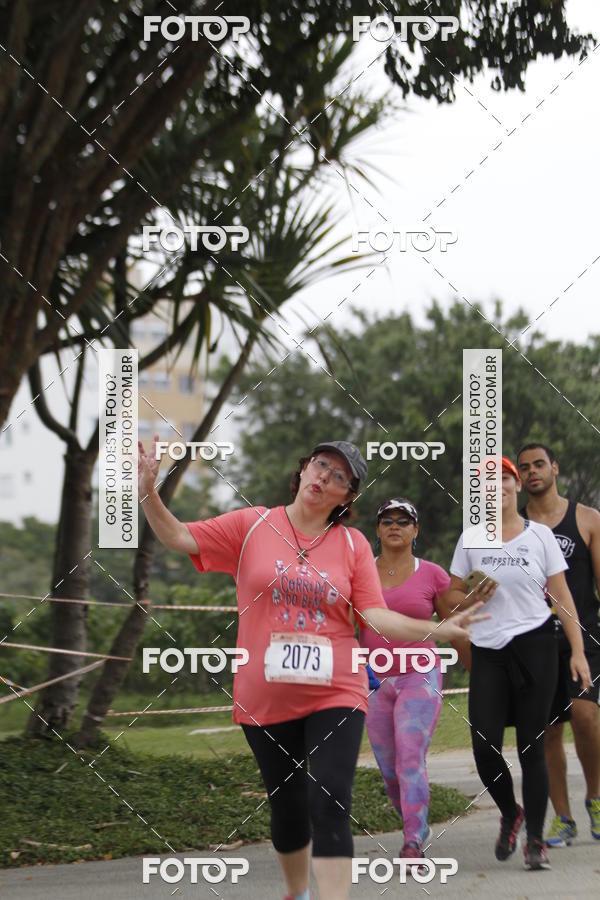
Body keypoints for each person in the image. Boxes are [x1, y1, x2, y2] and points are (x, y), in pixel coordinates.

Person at [138, 437, 484, 900]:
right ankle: (297, 892)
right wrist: (147, 493)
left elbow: (375, 615)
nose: (325, 477)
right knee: (288, 808)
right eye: (321, 465)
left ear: (347, 497)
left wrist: (440, 631)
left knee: (330, 800)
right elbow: (180, 537)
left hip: (335, 691)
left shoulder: (353, 545)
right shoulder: (252, 524)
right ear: (303, 470)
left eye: (340, 476)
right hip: (265, 696)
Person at [444, 456, 591, 871]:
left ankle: (536, 842)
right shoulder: (470, 539)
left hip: (536, 645)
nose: (498, 487)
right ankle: (511, 812)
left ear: (515, 487)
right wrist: (471, 598)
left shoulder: (540, 536)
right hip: (489, 649)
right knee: (484, 745)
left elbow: (562, 598)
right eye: (488, 483)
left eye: (504, 480)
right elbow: (451, 597)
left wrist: (578, 652)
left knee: (533, 746)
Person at [517, 442, 600, 847]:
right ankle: (563, 818)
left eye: (539, 464)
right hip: (535, 640)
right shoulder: (513, 527)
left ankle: (597, 801)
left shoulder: (586, 518)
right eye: (524, 467)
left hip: (583, 636)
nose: (532, 472)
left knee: (585, 717)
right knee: (547, 731)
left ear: (554, 468)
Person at [359, 497, 450, 862]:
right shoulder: (360, 571)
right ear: (378, 530)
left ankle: (412, 841)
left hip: (420, 674)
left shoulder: (432, 574)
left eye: (403, 520)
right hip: (374, 678)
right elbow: (348, 627)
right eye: (387, 520)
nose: (394, 526)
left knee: (410, 756)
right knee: (389, 771)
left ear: (415, 530)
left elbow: (450, 625)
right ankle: (416, 821)